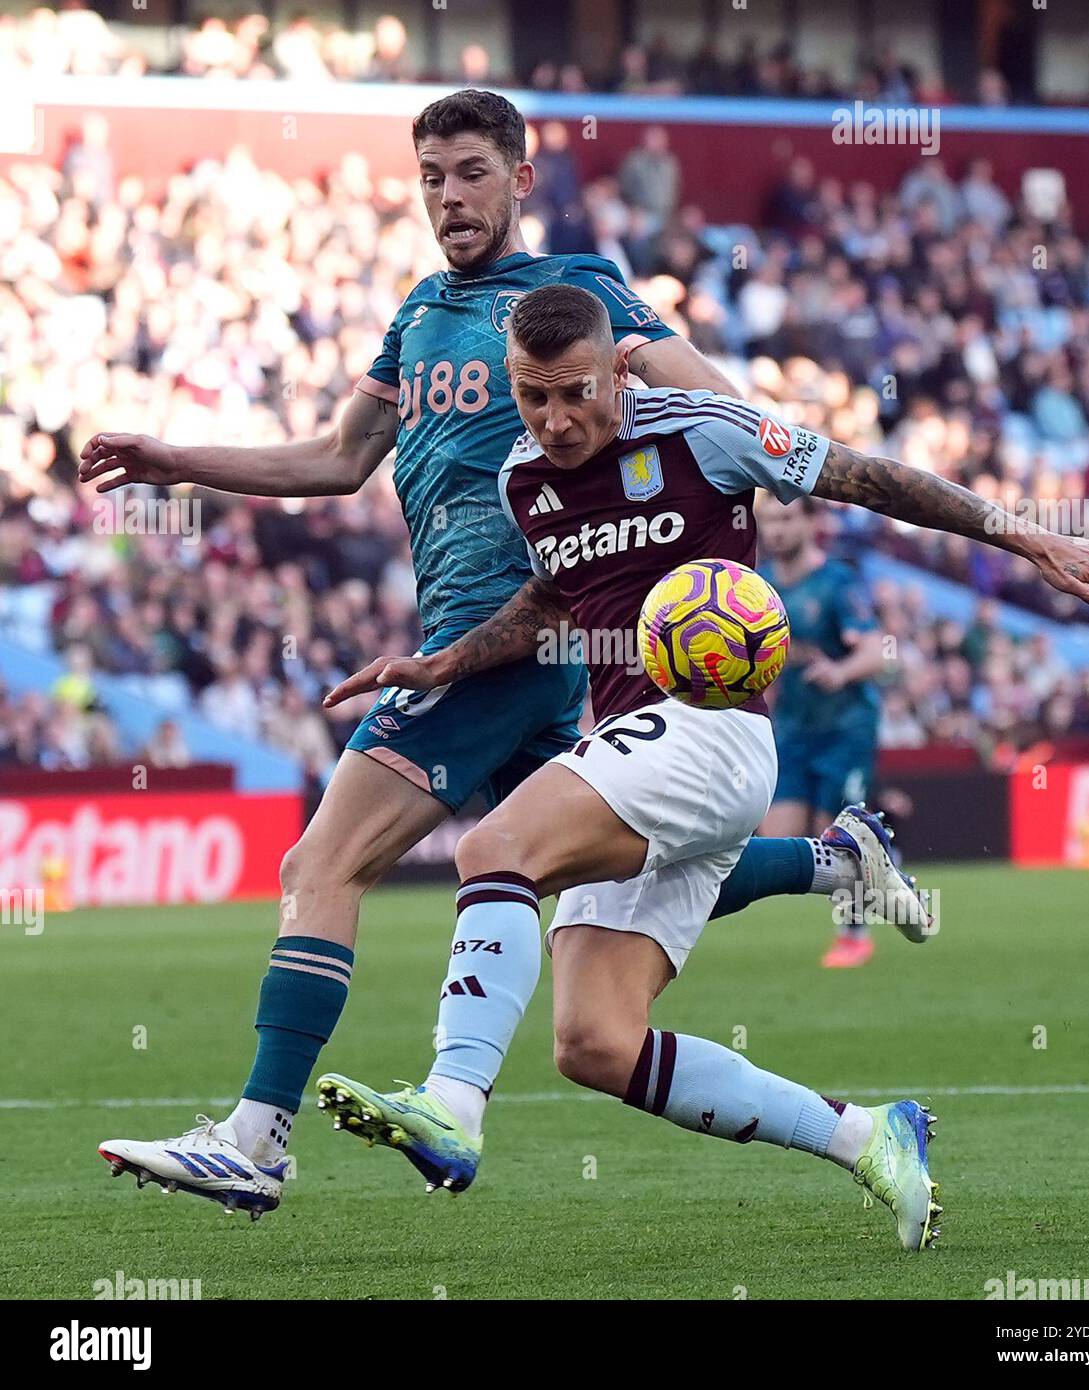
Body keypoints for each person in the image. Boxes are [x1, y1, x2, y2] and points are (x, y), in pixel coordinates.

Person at [87, 91, 891, 1220]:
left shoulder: (577, 292)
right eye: (428, 176)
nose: (448, 196)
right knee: (603, 883)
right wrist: (175, 455)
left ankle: (261, 1136)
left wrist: (776, 490)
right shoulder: (416, 316)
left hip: (505, 641)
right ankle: (832, 864)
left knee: (322, 866)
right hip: (498, 650)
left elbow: (718, 405)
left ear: (520, 177)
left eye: (469, 172)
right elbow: (333, 459)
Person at [313, 283, 1089, 1248]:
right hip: (637, 747)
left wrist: (1021, 532)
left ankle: (454, 1100)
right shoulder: (521, 478)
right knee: (595, 1042)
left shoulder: (707, 431)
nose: (554, 418)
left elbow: (869, 477)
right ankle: (869, 1133)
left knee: (493, 847)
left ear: (619, 365)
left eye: (573, 392)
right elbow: (553, 597)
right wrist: (446, 659)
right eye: (532, 397)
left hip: (708, 728)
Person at [758, 497, 886, 968]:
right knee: (778, 840)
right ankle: (882, 854)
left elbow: (876, 653)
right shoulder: (758, 588)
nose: (776, 530)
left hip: (845, 727)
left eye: (787, 518)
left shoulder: (837, 583)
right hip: (791, 729)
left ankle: (854, 933)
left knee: (831, 834)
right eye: (769, 520)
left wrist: (840, 671)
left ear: (811, 523)